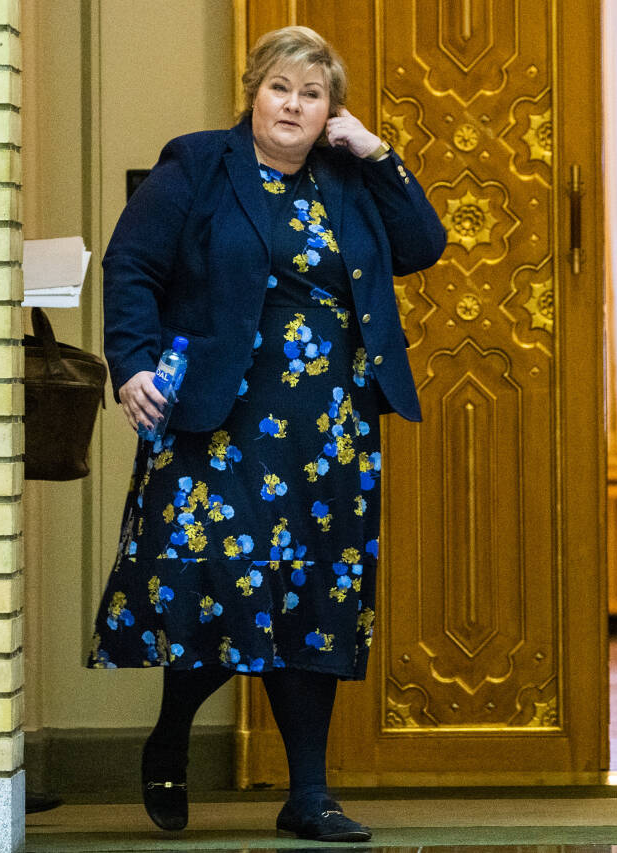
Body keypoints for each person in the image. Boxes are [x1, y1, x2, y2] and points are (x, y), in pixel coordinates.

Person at [87, 25, 444, 842]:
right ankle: (172, 734)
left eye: (313, 94)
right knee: (218, 582)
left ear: (331, 112)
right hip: (222, 420)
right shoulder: (199, 164)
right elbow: (131, 265)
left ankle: (308, 794)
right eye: (281, 87)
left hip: (329, 428)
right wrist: (134, 364)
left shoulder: (349, 178)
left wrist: (379, 153)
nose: (294, 105)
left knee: (314, 596)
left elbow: (422, 246)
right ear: (254, 92)